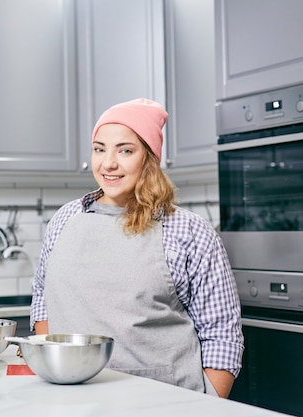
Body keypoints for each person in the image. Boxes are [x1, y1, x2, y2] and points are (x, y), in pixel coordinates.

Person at [30, 98, 243, 398]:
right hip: (73, 400)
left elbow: (221, 333)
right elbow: (42, 294)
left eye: (125, 150)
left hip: (167, 403)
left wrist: (207, 406)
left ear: (149, 157)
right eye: (99, 149)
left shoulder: (189, 231)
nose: (108, 163)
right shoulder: (65, 219)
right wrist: (56, 366)